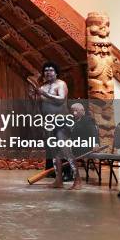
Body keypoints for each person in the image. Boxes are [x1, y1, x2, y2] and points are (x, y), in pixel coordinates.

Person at [37, 61, 81, 190]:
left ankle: (77, 180)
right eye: (46, 70)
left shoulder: (61, 84)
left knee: (66, 150)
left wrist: (43, 94)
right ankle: (58, 180)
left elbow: (61, 99)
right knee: (54, 152)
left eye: (51, 70)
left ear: (56, 73)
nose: (48, 72)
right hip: (48, 121)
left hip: (61, 121)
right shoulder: (43, 86)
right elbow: (42, 104)